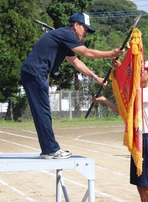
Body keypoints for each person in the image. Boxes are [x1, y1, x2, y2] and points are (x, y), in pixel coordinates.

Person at [20, 12, 124, 159]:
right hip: (35, 73)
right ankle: (50, 150)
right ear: (76, 25)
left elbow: (76, 62)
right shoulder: (65, 33)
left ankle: (48, 149)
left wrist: (95, 77)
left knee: (43, 111)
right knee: (43, 111)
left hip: (35, 73)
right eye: (85, 29)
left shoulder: (64, 38)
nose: (85, 34)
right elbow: (86, 53)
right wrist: (112, 53)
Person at [92, 60, 148, 202]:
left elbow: (130, 93)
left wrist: (119, 72)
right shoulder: (139, 92)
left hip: (146, 140)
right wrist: (105, 100)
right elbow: (124, 112)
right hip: (138, 140)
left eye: (142, 70)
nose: (139, 73)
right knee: (140, 185)